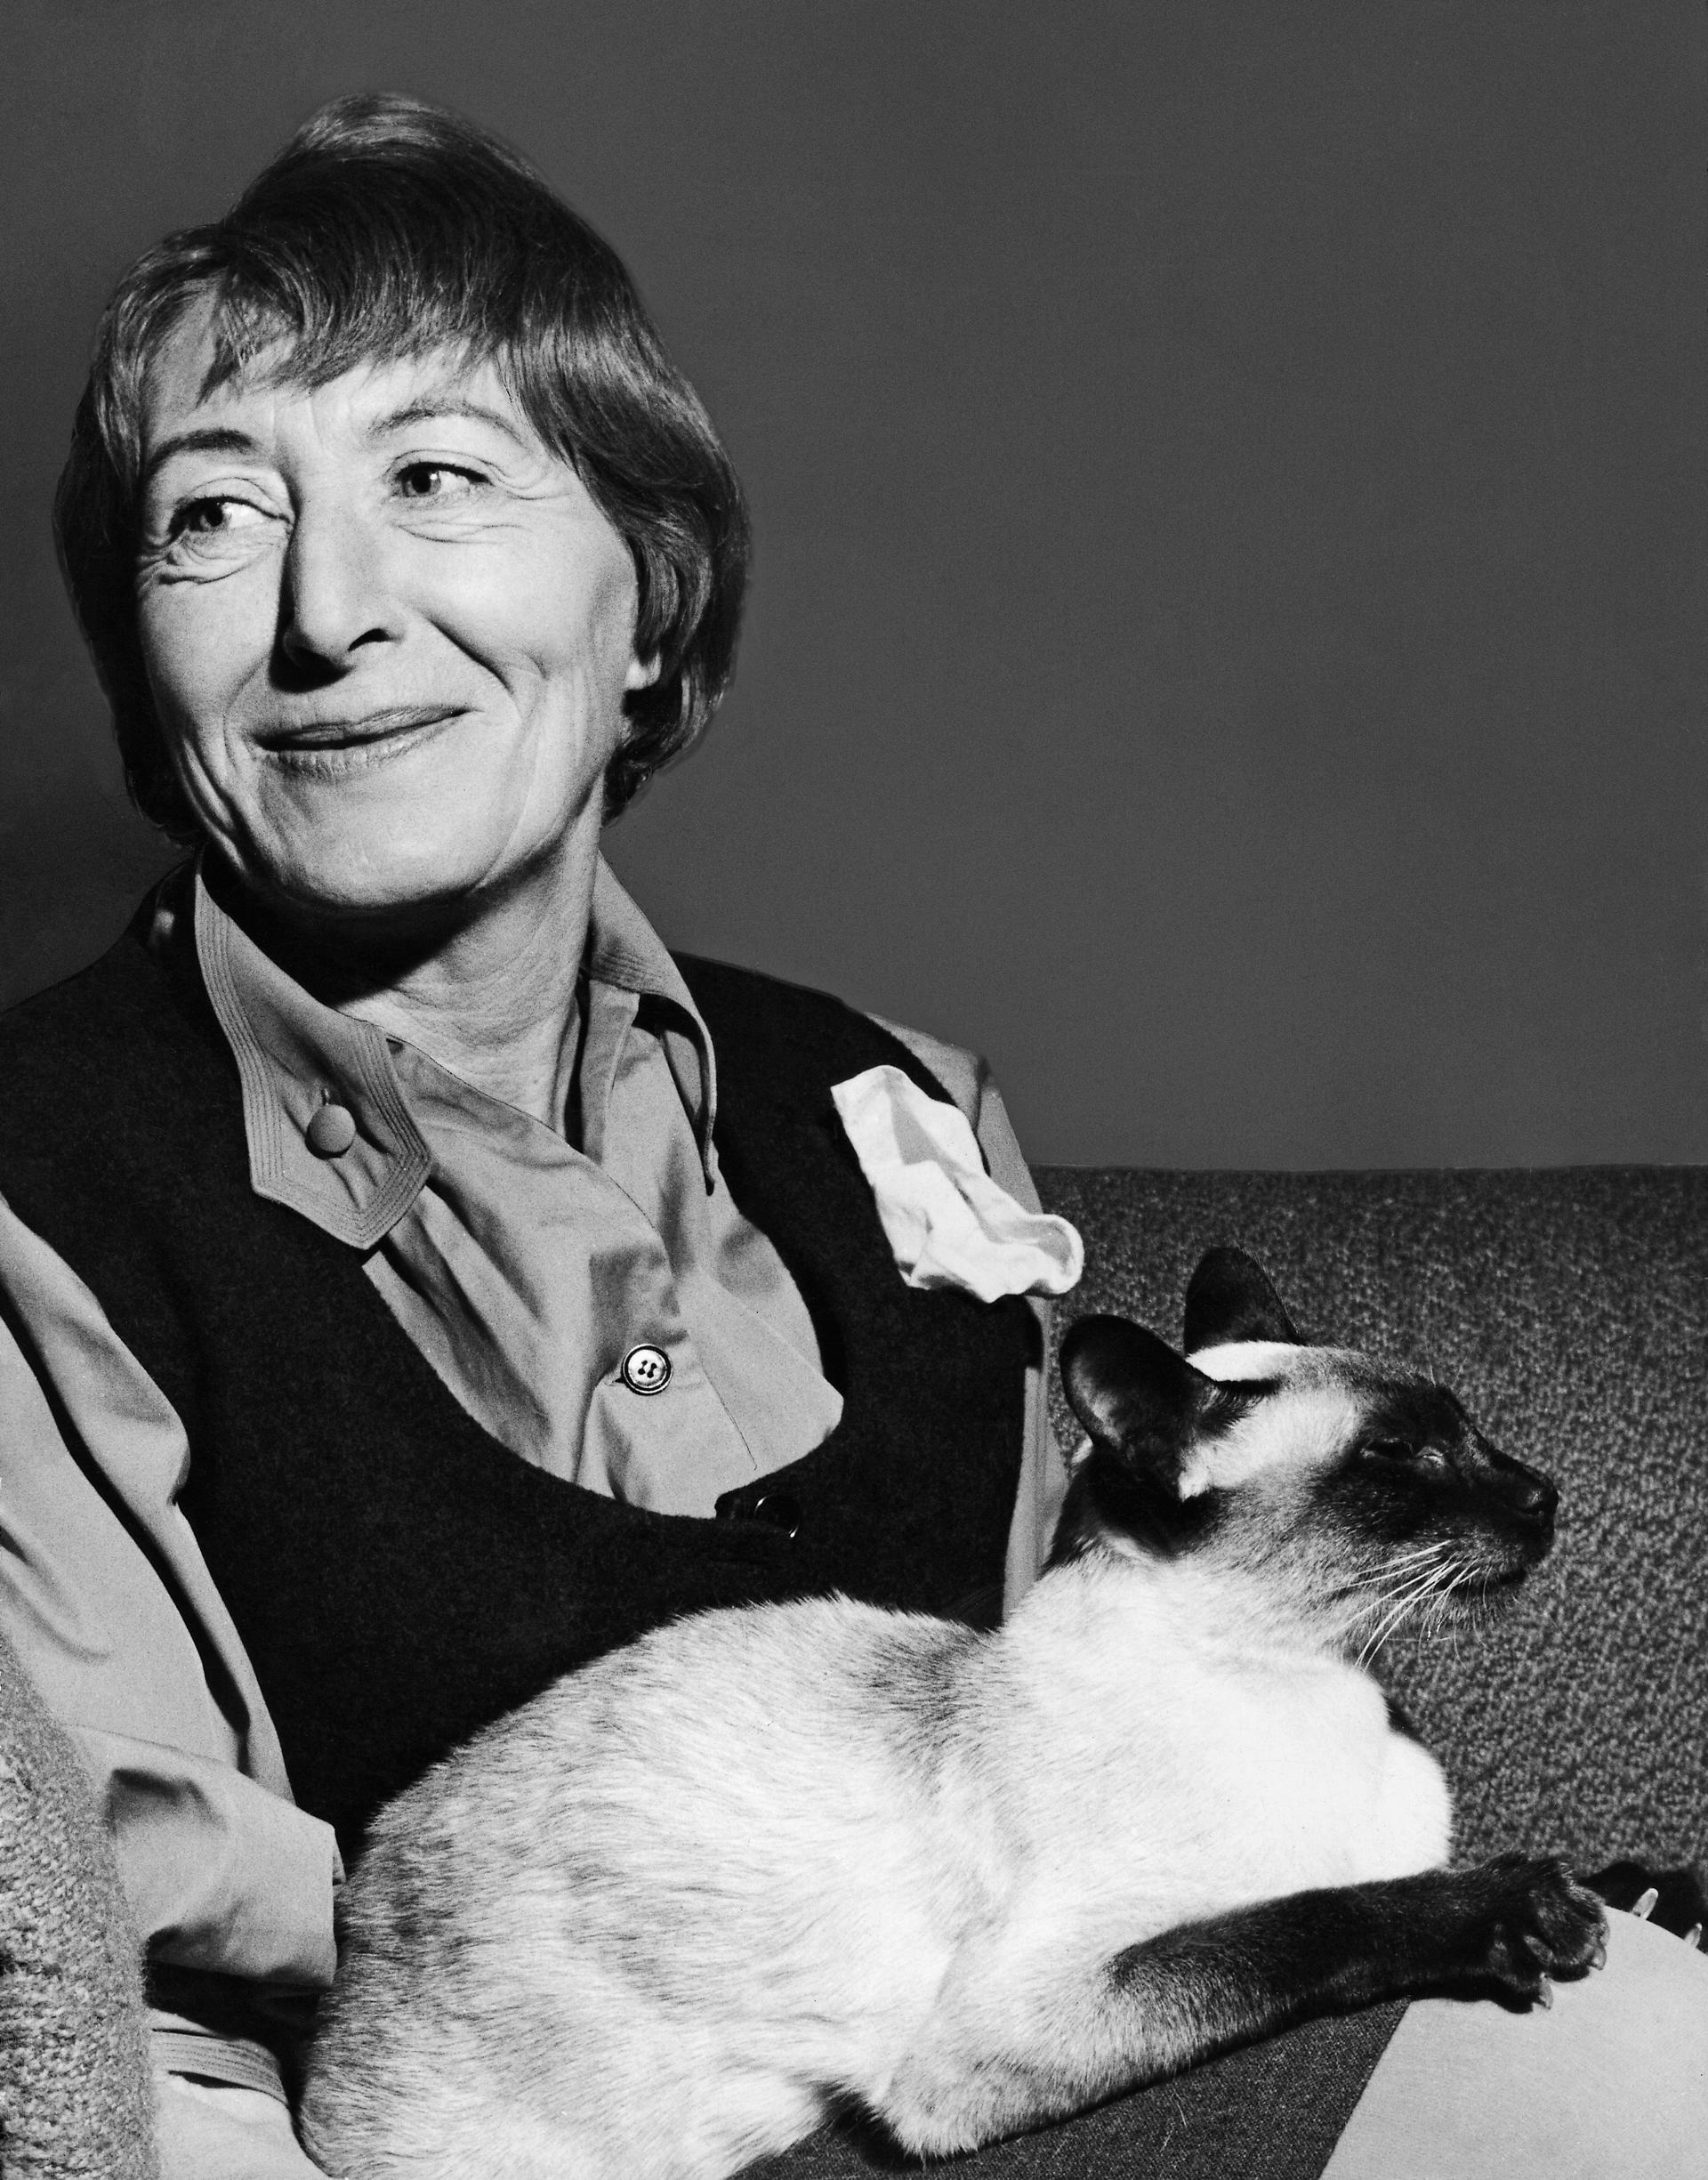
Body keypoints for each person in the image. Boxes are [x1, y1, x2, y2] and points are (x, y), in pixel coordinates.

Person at [1, 93, 1702, 2180]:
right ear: (135, 655)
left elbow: (1115, 1780)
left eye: (435, 476)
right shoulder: (45, 1193)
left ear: (648, 604)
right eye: (209, 517)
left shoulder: (896, 1104)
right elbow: (110, 2016)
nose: (326, 609)